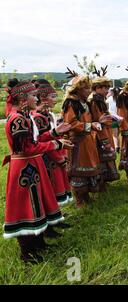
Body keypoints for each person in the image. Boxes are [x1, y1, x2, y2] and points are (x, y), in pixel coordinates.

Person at [3, 80, 72, 263]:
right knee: (26, 206)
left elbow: (37, 138)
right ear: (23, 99)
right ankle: (27, 252)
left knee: (37, 202)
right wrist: (55, 144)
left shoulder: (24, 116)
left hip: (32, 165)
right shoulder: (17, 119)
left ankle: (38, 242)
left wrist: (55, 133)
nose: (37, 98)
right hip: (25, 168)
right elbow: (27, 148)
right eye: (33, 95)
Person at [62, 68, 103, 207]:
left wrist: (94, 125)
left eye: (89, 88)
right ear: (78, 89)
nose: (89, 91)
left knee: (88, 167)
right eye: (86, 88)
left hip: (88, 140)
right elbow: (71, 123)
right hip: (77, 142)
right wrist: (89, 126)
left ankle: (86, 196)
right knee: (78, 170)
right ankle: (79, 199)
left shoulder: (86, 102)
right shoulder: (71, 103)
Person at [32, 80, 73, 207]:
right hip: (48, 157)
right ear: (43, 98)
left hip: (55, 153)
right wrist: (58, 157)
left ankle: (55, 214)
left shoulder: (48, 114)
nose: (56, 99)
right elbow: (41, 140)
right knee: (50, 187)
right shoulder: (38, 117)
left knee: (56, 186)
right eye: (53, 96)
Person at [89, 67, 120, 187]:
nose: (107, 90)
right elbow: (98, 119)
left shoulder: (101, 100)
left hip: (105, 130)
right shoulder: (95, 101)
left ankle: (104, 183)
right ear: (97, 88)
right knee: (101, 158)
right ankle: (101, 184)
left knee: (106, 159)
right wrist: (104, 140)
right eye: (105, 88)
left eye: (108, 87)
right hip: (99, 133)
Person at [106, 87, 121, 153]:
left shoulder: (109, 99)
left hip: (112, 118)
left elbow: (106, 107)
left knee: (114, 135)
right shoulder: (119, 99)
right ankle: (119, 146)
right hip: (120, 118)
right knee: (118, 134)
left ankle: (116, 147)